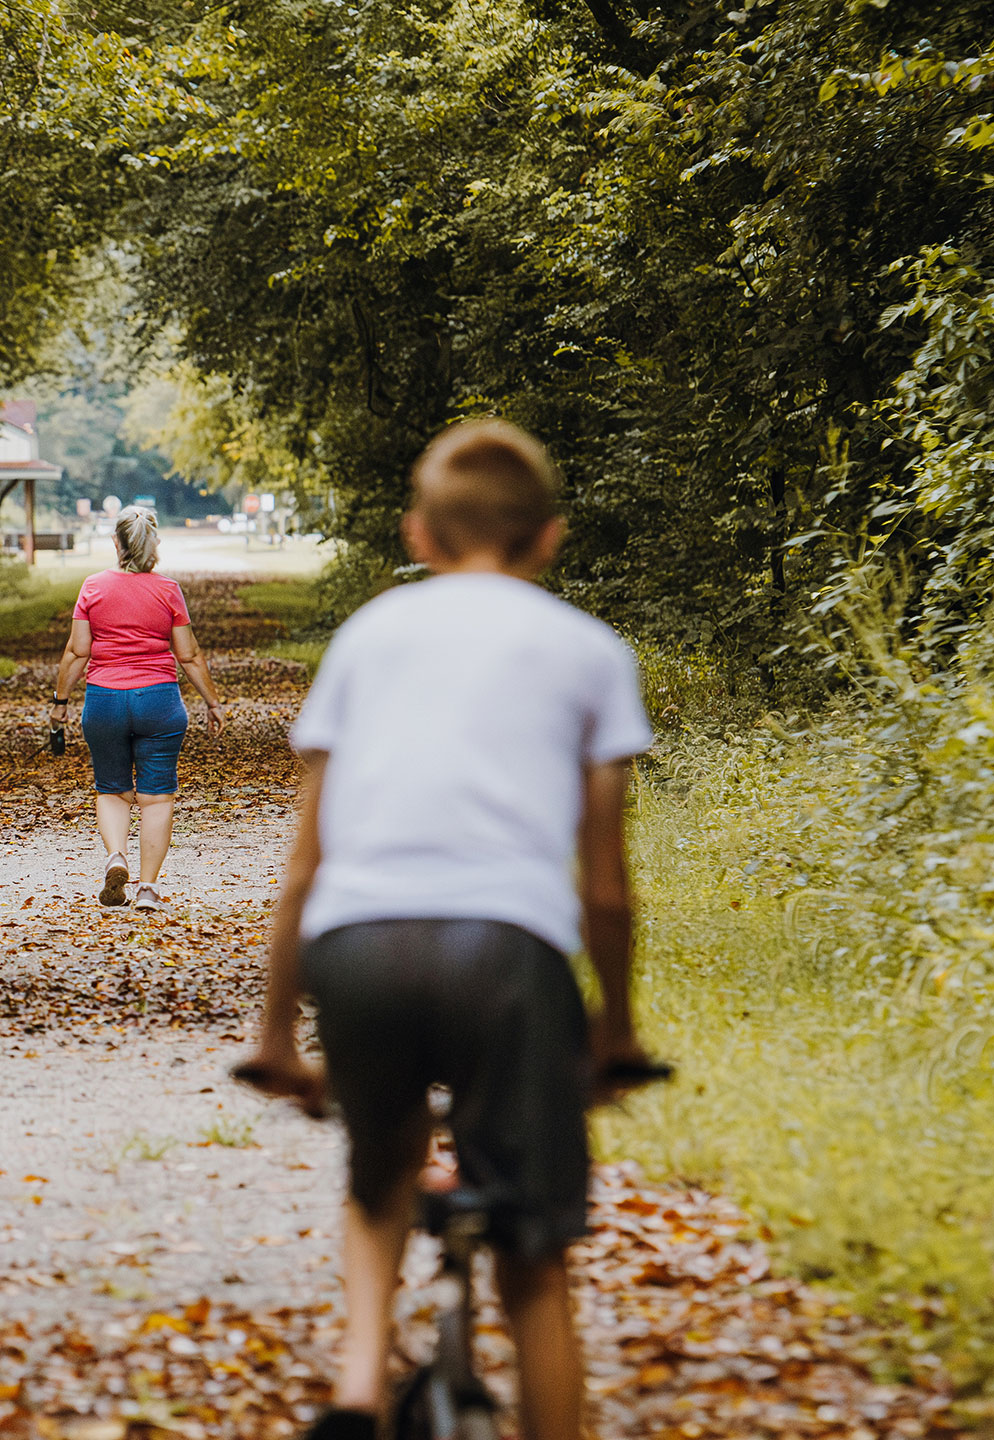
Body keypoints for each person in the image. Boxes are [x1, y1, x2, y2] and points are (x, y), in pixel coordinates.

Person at [235, 420, 655, 1440]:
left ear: (415, 533)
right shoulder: (589, 652)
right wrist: (613, 1030)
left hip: (358, 943)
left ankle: (352, 1387)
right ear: (547, 538)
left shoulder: (368, 638)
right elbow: (603, 889)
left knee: (379, 1172)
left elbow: (305, 863)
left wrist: (275, 1035)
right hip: (505, 952)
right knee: (531, 1256)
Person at [50, 505, 225, 911]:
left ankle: (116, 857)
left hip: (105, 701)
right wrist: (213, 702)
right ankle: (147, 889)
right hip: (159, 702)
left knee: (111, 790)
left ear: (116, 543)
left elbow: (78, 652)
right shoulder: (168, 591)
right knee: (157, 798)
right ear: (154, 546)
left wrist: (60, 702)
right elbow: (190, 655)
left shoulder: (92, 587)